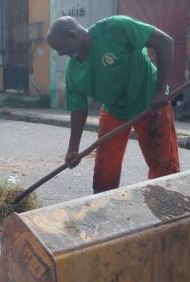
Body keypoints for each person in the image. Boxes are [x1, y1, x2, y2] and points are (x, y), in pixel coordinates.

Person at [46, 16, 180, 193]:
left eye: (61, 48)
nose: (60, 54)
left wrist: (161, 91)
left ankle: (167, 206)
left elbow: (165, 42)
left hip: (150, 102)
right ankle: (104, 209)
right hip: (114, 110)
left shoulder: (116, 28)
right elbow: (78, 109)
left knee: (163, 167)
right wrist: (73, 149)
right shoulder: (73, 70)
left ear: (72, 35)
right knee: (104, 171)